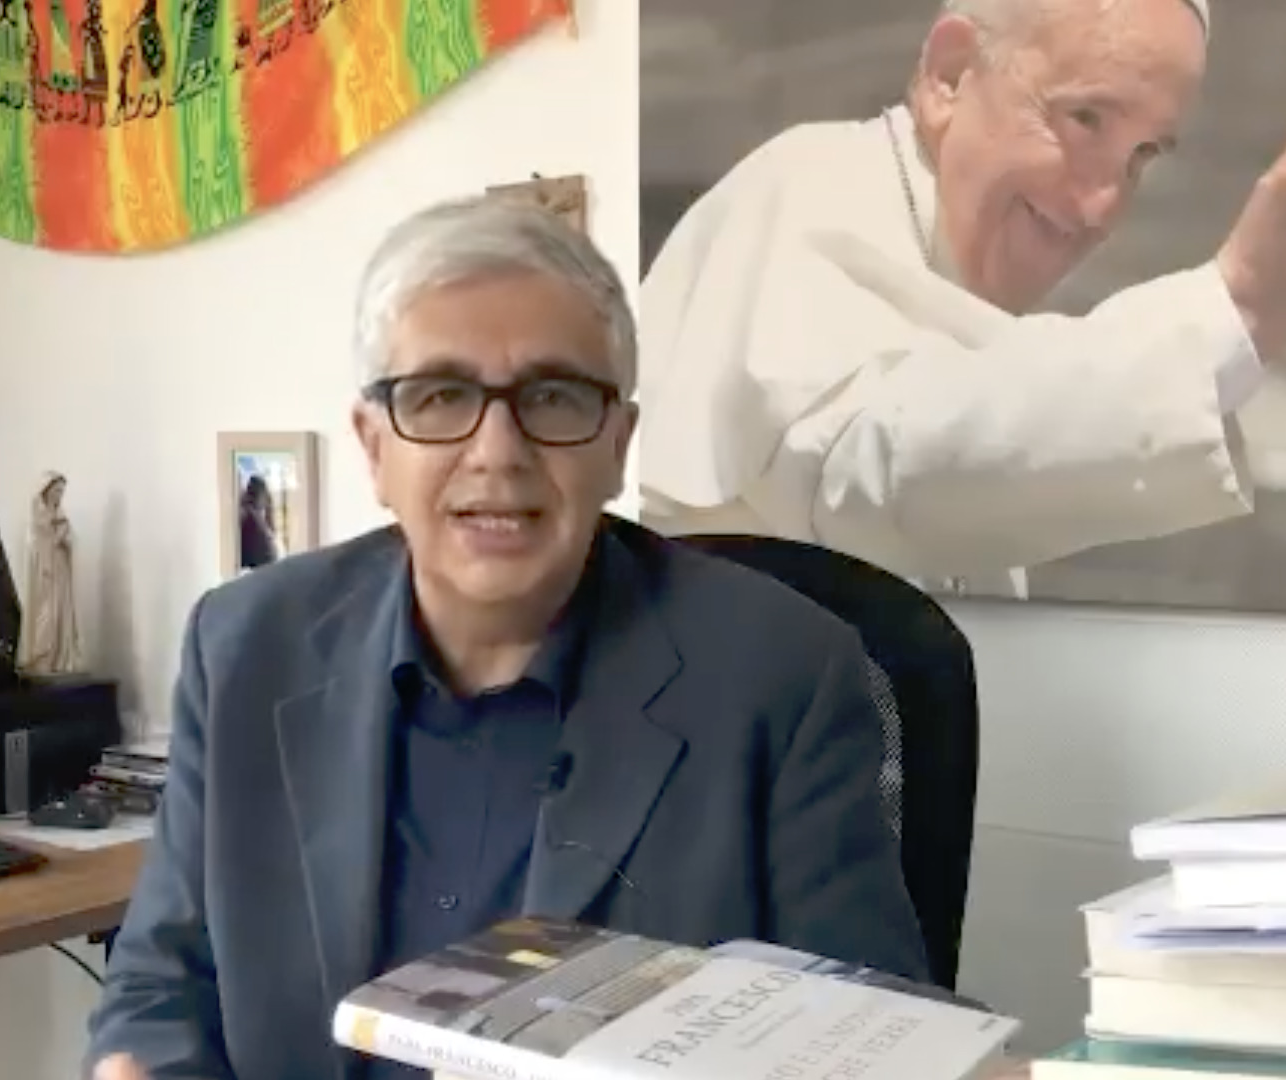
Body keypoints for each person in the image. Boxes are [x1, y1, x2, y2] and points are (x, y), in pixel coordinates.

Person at [84, 198, 928, 1080]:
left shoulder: (784, 674)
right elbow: (159, 985)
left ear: (617, 445)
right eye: (441, 395)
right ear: (374, 448)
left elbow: (871, 1041)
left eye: (552, 397)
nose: (496, 451)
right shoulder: (245, 647)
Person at [638, 0, 1286, 596]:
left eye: (1141, 155)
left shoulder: (973, 302)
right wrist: (1237, 305)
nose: (1101, 207)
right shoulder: (811, 184)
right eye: (1085, 120)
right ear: (950, 76)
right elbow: (870, 469)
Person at [20, 471, 85, 675]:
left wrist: (65, 538)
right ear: (46, 491)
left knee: (61, 614)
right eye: (56, 491)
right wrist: (55, 538)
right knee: (45, 615)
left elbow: (70, 542)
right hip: (45, 574)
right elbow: (36, 547)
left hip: (60, 571)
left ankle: (60, 657)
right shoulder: (37, 518)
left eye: (61, 492)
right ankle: (43, 657)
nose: (59, 496)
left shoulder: (61, 516)